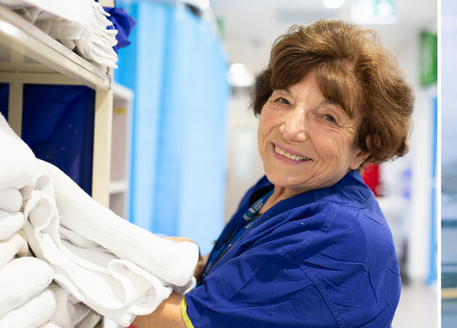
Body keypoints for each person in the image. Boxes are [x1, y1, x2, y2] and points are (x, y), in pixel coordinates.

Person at [131, 19, 411, 328]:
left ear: (364, 148)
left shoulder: (340, 236)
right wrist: (197, 264)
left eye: (328, 117)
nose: (290, 129)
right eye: (283, 100)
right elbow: (244, 280)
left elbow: (189, 322)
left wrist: (98, 283)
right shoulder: (273, 188)